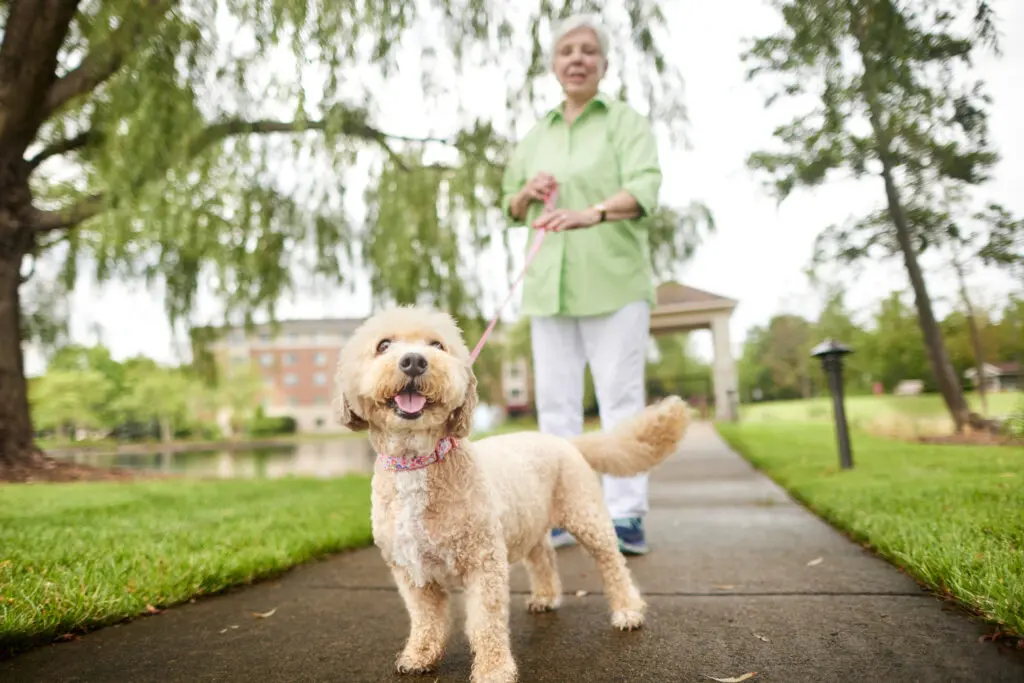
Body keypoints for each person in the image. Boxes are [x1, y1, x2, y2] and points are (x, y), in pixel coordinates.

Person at [500, 13, 663, 555]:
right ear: (553, 65)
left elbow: (643, 190)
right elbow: (510, 205)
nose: (577, 58)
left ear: (604, 64)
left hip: (614, 283)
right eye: (567, 50)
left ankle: (625, 516)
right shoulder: (536, 134)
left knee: (620, 402)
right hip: (549, 286)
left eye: (588, 50)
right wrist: (527, 192)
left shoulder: (625, 123)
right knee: (556, 409)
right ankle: (560, 513)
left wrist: (591, 212)